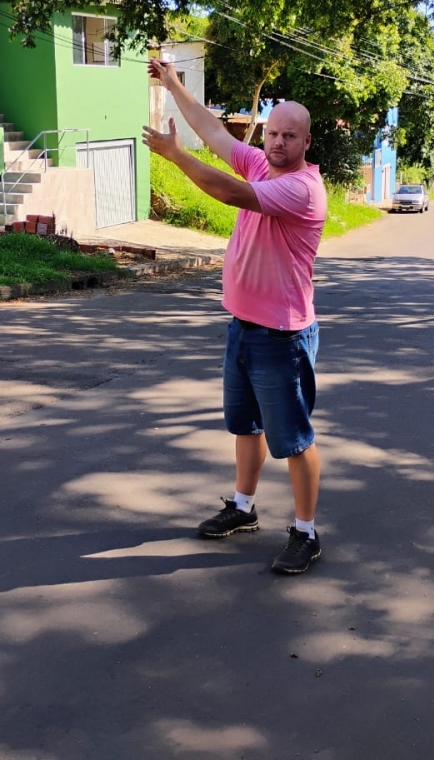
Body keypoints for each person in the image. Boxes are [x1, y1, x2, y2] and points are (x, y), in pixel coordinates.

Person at [142, 59, 327, 574]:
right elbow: (214, 130)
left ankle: (306, 533)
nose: (277, 143)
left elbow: (229, 193)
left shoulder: (302, 189)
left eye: (289, 136)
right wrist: (174, 83)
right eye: (272, 133)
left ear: (306, 141)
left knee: (293, 438)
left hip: (283, 335)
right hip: (244, 326)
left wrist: (176, 157)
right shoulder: (260, 163)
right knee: (246, 426)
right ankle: (243, 508)